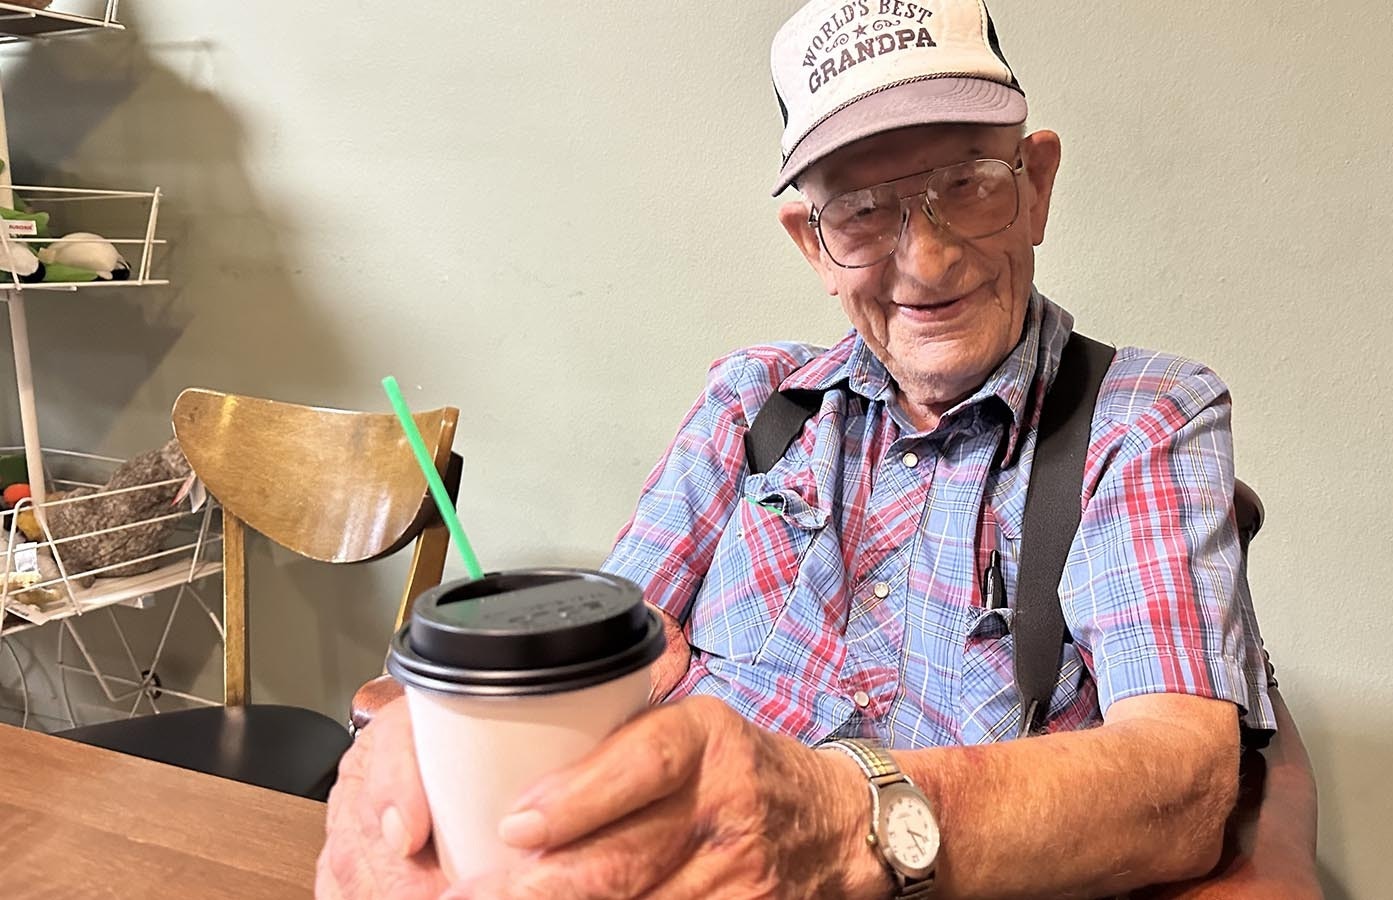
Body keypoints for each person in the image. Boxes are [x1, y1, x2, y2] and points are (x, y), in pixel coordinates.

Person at [318, 1, 1320, 897]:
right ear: (812, 242)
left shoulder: (1140, 417)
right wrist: (441, 730)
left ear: (1036, 186)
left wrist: (836, 815)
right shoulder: (748, 401)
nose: (923, 263)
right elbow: (601, 653)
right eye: (863, 212)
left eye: (966, 185)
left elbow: (1181, 781)